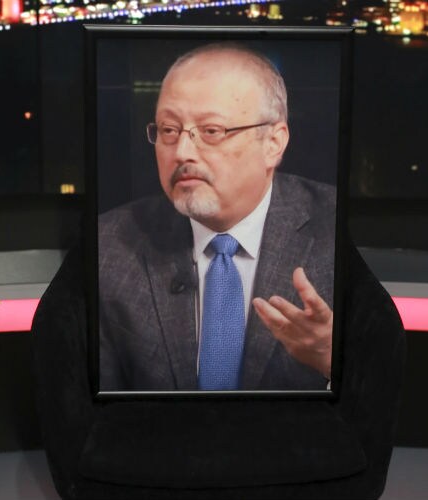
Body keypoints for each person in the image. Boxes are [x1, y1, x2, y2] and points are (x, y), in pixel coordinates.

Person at [99, 42, 336, 391]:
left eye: (211, 131)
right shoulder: (108, 246)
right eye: (168, 130)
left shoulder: (336, 231)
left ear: (273, 143)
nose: (182, 152)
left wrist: (334, 359)